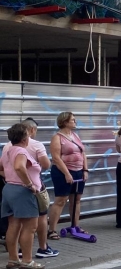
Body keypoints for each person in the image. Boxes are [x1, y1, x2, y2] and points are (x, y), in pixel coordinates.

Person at [0, 124, 44, 269]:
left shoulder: (8, 150)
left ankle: (13, 260)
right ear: (25, 137)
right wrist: (29, 184)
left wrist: (10, 178)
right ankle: (27, 261)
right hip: (22, 192)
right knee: (30, 227)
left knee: (13, 225)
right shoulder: (20, 151)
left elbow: (1, 168)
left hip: (9, 189)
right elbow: (19, 167)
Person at [47, 112, 88, 241]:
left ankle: (75, 226)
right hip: (62, 171)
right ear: (65, 122)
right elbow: (56, 158)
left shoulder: (75, 136)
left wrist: (85, 170)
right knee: (61, 200)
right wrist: (66, 173)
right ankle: (51, 230)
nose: (75, 122)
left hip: (78, 171)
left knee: (76, 199)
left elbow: (83, 153)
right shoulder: (57, 138)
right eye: (73, 120)